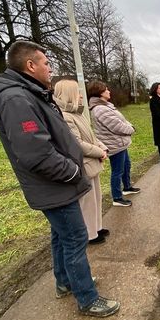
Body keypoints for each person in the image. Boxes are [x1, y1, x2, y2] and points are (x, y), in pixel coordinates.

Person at [0, 40, 119, 317]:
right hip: (54, 184)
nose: (50, 68)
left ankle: (65, 282)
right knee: (76, 237)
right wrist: (72, 171)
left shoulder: (28, 93)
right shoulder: (16, 99)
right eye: (46, 63)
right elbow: (36, 153)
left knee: (61, 235)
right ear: (30, 65)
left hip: (55, 184)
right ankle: (87, 299)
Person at [54, 79, 109, 245]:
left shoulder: (78, 113)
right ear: (69, 94)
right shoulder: (66, 117)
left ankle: (97, 227)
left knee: (96, 197)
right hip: (84, 163)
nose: (80, 96)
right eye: (77, 92)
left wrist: (102, 147)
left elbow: (91, 136)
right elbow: (77, 143)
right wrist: (99, 151)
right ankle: (90, 234)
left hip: (93, 161)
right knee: (88, 202)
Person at [87, 81, 140, 207]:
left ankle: (127, 187)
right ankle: (117, 197)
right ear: (99, 92)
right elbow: (117, 126)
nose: (109, 91)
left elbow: (121, 120)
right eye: (106, 90)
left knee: (126, 165)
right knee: (117, 171)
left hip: (119, 143)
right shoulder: (100, 109)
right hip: (114, 145)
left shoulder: (105, 106)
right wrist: (131, 129)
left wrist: (130, 125)